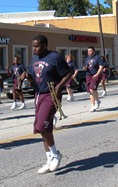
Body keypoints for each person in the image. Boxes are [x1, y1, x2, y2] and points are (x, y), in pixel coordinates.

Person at [20, 35, 71, 174]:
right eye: (33, 46)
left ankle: (56, 154)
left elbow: (68, 73)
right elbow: (33, 77)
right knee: (42, 128)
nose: (34, 49)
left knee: (42, 125)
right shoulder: (34, 59)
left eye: (36, 46)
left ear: (44, 45)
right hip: (39, 94)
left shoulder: (55, 57)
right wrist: (26, 76)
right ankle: (49, 159)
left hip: (51, 94)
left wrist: (59, 86)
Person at [83, 46, 104, 112]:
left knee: (92, 89)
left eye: (90, 51)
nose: (89, 52)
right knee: (90, 90)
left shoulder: (98, 58)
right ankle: (94, 104)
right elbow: (84, 67)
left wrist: (97, 74)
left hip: (95, 75)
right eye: (88, 51)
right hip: (88, 75)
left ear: (94, 51)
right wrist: (85, 68)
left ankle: (96, 102)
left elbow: (101, 67)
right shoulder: (87, 59)